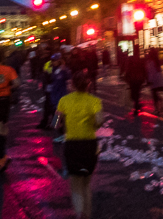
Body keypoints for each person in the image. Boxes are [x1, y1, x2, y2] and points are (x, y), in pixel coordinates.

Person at [56, 70, 104, 219]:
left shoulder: (64, 100)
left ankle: (78, 214)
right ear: (88, 85)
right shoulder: (95, 101)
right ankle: (87, 215)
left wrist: (63, 124)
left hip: (72, 145)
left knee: (75, 185)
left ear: (72, 85)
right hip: (89, 145)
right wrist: (93, 125)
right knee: (86, 185)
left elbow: (55, 123)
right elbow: (100, 120)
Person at [122, 45, 146, 116]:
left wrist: (126, 77)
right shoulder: (139, 59)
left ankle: (136, 107)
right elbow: (144, 69)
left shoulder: (132, 59)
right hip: (137, 78)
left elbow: (128, 69)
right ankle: (137, 105)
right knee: (136, 93)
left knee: (134, 93)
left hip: (134, 79)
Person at [144, 47, 163, 114]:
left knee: (154, 95)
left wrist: (149, 80)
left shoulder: (150, 61)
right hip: (158, 79)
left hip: (153, 80)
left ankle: (157, 109)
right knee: (156, 94)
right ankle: (160, 105)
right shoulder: (156, 60)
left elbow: (151, 72)